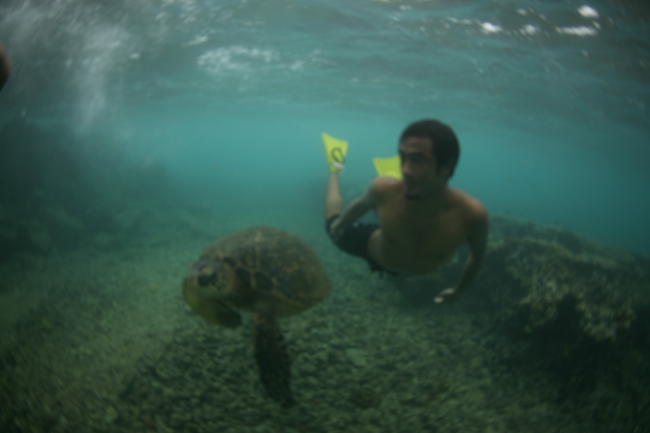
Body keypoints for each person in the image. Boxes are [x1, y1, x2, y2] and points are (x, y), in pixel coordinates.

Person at [324, 119, 488, 304]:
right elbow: (360, 205)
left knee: (386, 197)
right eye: (402, 157)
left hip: (402, 255)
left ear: (446, 167)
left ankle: (391, 189)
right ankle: (335, 168)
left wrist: (459, 290)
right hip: (374, 250)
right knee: (331, 223)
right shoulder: (382, 190)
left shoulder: (472, 215)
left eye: (417, 160)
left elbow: (478, 256)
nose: (405, 170)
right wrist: (339, 224)